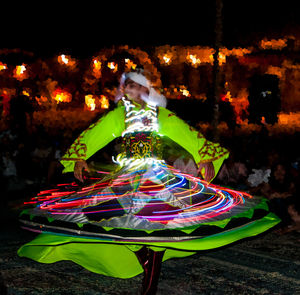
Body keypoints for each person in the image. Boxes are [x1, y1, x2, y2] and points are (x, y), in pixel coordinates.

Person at [18, 70, 280, 295]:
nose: (134, 90)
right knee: (127, 221)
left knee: (159, 222)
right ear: (124, 90)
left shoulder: (160, 115)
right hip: (126, 176)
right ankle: (142, 259)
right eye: (129, 86)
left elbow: (185, 133)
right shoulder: (117, 117)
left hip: (157, 176)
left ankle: (150, 266)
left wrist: (204, 156)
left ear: (146, 89)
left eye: (139, 85)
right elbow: (93, 134)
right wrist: (78, 158)